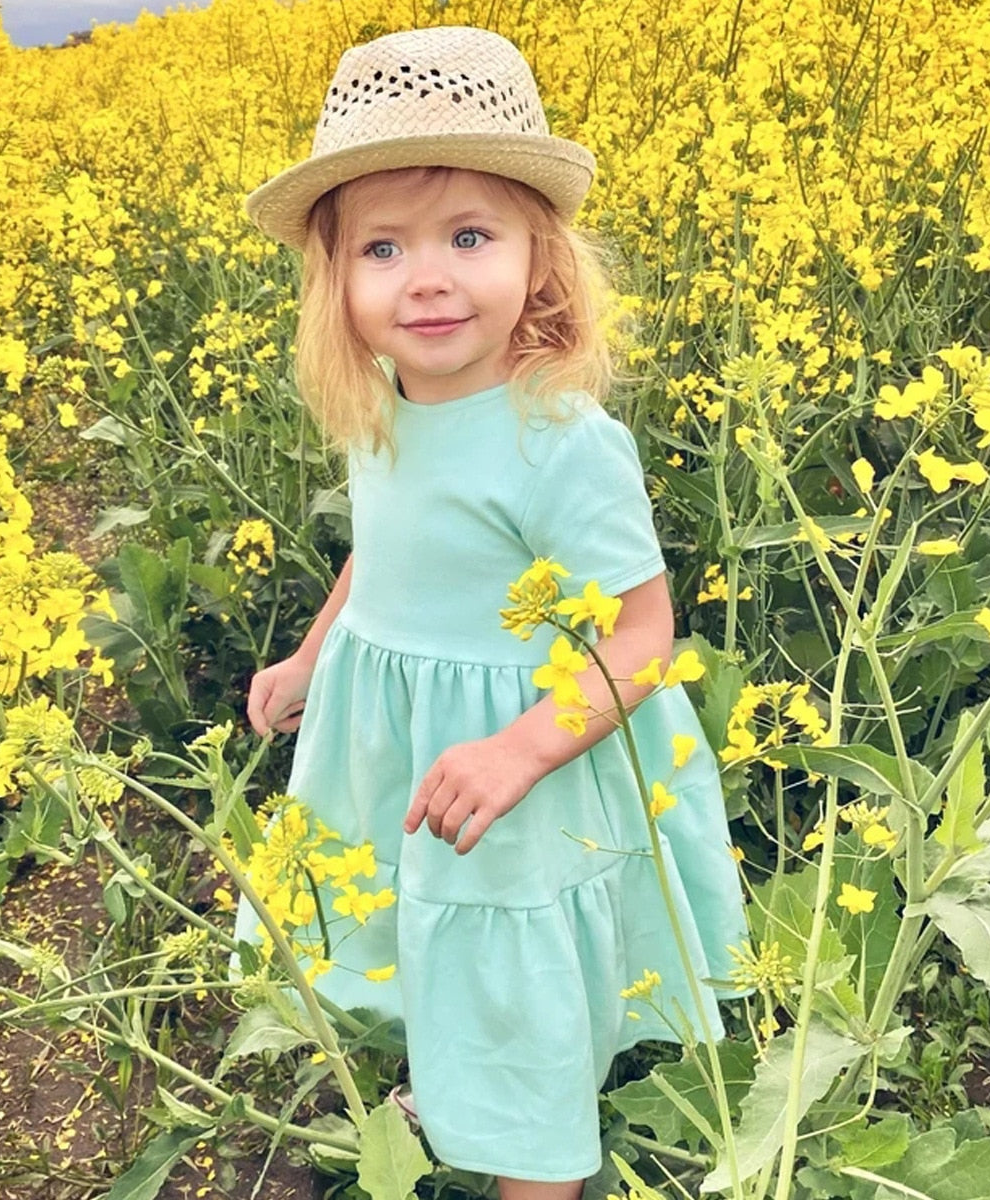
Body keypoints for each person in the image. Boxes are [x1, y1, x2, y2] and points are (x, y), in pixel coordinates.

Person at [235, 25, 747, 1199]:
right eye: (381, 247)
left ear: (541, 259)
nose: (426, 277)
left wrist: (521, 749)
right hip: (400, 740)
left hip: (532, 761)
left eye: (470, 236)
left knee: (517, 979)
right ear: (336, 282)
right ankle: (453, 1067)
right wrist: (314, 655)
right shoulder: (386, 412)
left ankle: (533, 1169)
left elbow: (644, 637)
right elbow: (384, 553)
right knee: (429, 928)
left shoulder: (561, 440)